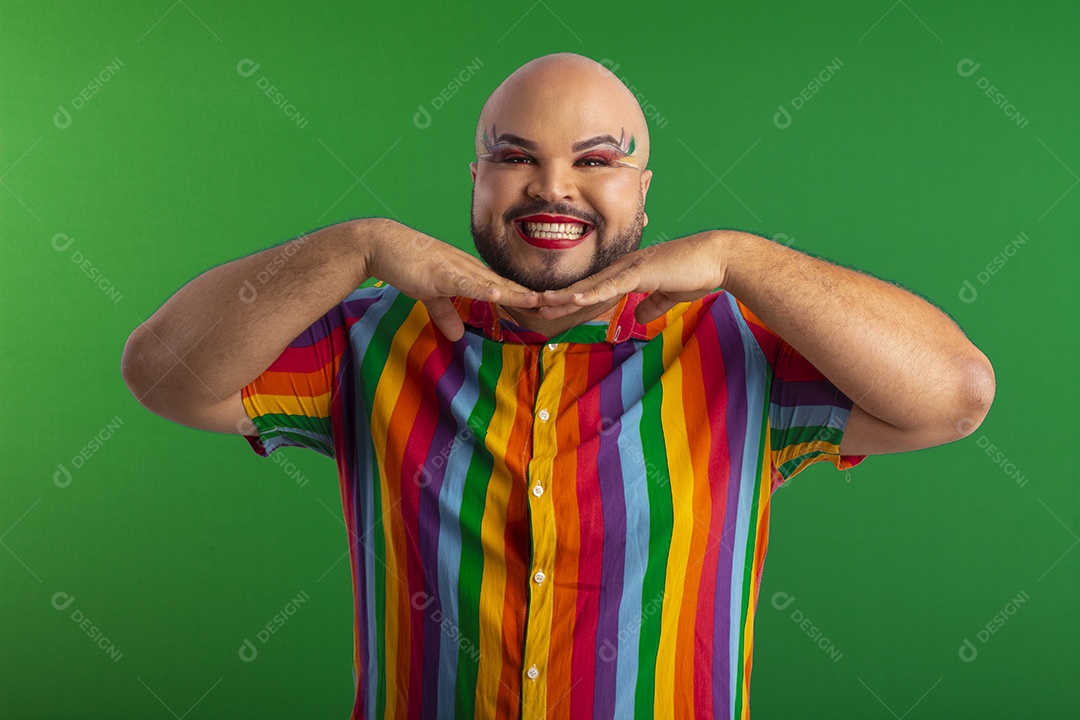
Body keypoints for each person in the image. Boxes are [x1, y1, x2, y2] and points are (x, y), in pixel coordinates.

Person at [121, 52, 995, 719]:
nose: (553, 187)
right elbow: (163, 374)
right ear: (477, 181)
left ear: (643, 196)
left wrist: (741, 258)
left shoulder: (740, 347)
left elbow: (955, 394)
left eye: (597, 161)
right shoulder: (373, 338)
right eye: (516, 156)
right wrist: (357, 244)